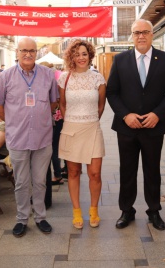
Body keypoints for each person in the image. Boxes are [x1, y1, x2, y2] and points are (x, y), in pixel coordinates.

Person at [106, 19, 165, 231]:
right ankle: (126, 210)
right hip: (126, 127)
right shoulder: (120, 60)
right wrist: (125, 115)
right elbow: (112, 92)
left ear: (152, 34)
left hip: (153, 126)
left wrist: (158, 114)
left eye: (145, 32)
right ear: (131, 35)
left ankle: (154, 210)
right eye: (137, 32)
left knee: (152, 170)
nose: (141, 36)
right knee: (127, 170)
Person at [0, 37, 59, 238]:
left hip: (42, 137)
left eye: (32, 50)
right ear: (17, 52)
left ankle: (40, 217)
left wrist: (38, 117)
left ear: (37, 52)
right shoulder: (5, 77)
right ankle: (22, 219)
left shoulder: (48, 75)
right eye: (24, 51)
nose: (28, 54)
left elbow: (54, 103)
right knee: (21, 181)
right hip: (18, 138)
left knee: (40, 181)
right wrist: (15, 122)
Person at [58, 39, 106, 229]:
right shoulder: (64, 78)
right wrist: (70, 120)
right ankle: (76, 211)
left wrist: (90, 119)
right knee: (73, 172)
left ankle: (94, 210)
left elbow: (101, 105)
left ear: (90, 55)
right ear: (71, 56)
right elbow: (62, 104)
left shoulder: (98, 78)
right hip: (71, 129)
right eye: (77, 54)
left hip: (92, 128)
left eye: (84, 54)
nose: (81, 58)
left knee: (95, 173)